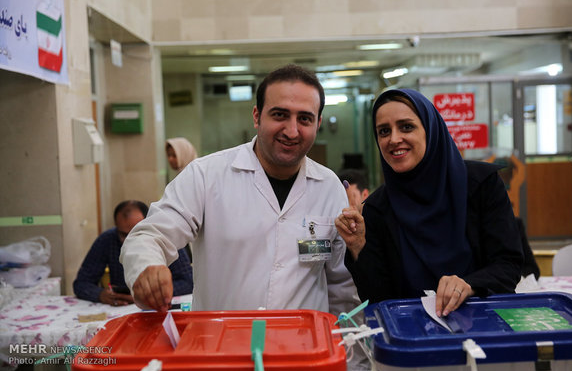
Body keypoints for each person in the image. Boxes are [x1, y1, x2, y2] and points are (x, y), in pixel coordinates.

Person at [120, 65, 361, 319]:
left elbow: (341, 288)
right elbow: (150, 234)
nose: (292, 131)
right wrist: (147, 266)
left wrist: (347, 352)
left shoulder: (329, 187)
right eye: (280, 115)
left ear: (318, 123)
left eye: (305, 118)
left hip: (305, 351)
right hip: (222, 348)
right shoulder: (206, 175)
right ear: (257, 116)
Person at [336, 88, 523, 318]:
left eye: (406, 127)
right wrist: (358, 248)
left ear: (430, 129)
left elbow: (509, 265)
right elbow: (378, 299)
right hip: (414, 339)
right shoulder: (377, 209)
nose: (394, 139)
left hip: (484, 328)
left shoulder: (481, 185)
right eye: (384, 131)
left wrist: (469, 284)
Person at [73, 200, 193, 306]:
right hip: (119, 307)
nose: (130, 240)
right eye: (123, 234)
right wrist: (101, 295)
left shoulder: (166, 237)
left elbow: (188, 282)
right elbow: (82, 282)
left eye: (138, 233)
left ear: (149, 223)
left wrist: (152, 293)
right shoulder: (107, 240)